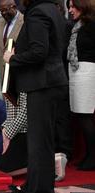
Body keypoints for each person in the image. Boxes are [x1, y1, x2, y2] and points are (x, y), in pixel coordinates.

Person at [3, 0, 68, 193]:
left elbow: (39, 51)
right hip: (52, 82)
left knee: (39, 141)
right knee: (43, 140)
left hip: (42, 84)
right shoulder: (53, 10)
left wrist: (12, 58)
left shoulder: (37, 13)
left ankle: (39, 191)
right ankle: (34, 185)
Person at [67, 0, 95, 171]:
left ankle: (92, 157)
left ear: (82, 6)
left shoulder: (91, 25)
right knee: (79, 115)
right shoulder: (78, 25)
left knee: (85, 115)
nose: (70, 10)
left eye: (73, 6)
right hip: (77, 71)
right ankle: (88, 155)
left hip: (87, 72)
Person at [54, 0, 75, 182]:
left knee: (62, 117)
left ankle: (65, 150)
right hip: (55, 77)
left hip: (62, 77)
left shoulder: (67, 26)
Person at [0, 0, 24, 85]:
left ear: (14, 7)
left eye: (6, 10)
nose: (4, 13)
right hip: (4, 74)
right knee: (5, 98)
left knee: (20, 98)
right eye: (1, 11)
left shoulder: (25, 21)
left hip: (19, 73)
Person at [0, 92, 28, 176]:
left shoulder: (25, 83)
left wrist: (8, 134)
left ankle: (46, 163)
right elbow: (10, 113)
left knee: (4, 170)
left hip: (27, 131)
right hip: (14, 130)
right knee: (1, 167)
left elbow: (25, 114)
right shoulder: (9, 82)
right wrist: (4, 129)